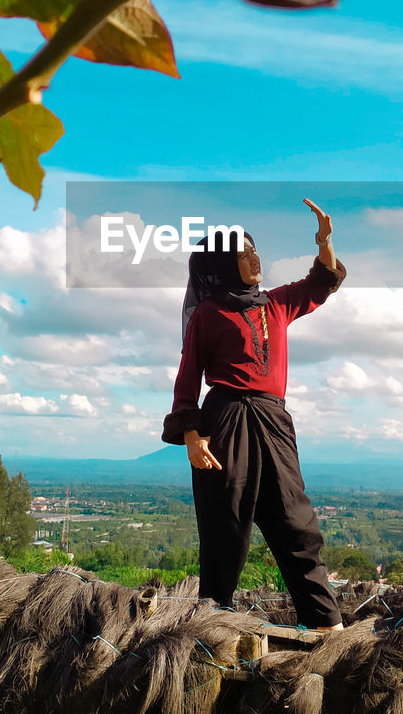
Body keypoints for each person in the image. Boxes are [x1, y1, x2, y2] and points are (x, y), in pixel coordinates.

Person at [162, 199, 346, 630]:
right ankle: (212, 628)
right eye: (243, 255)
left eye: (254, 249)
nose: (254, 259)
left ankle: (325, 624)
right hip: (224, 421)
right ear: (225, 265)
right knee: (225, 528)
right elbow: (188, 376)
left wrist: (324, 241)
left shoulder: (277, 304)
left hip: (274, 421)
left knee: (296, 522)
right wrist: (191, 435)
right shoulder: (208, 315)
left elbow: (321, 282)